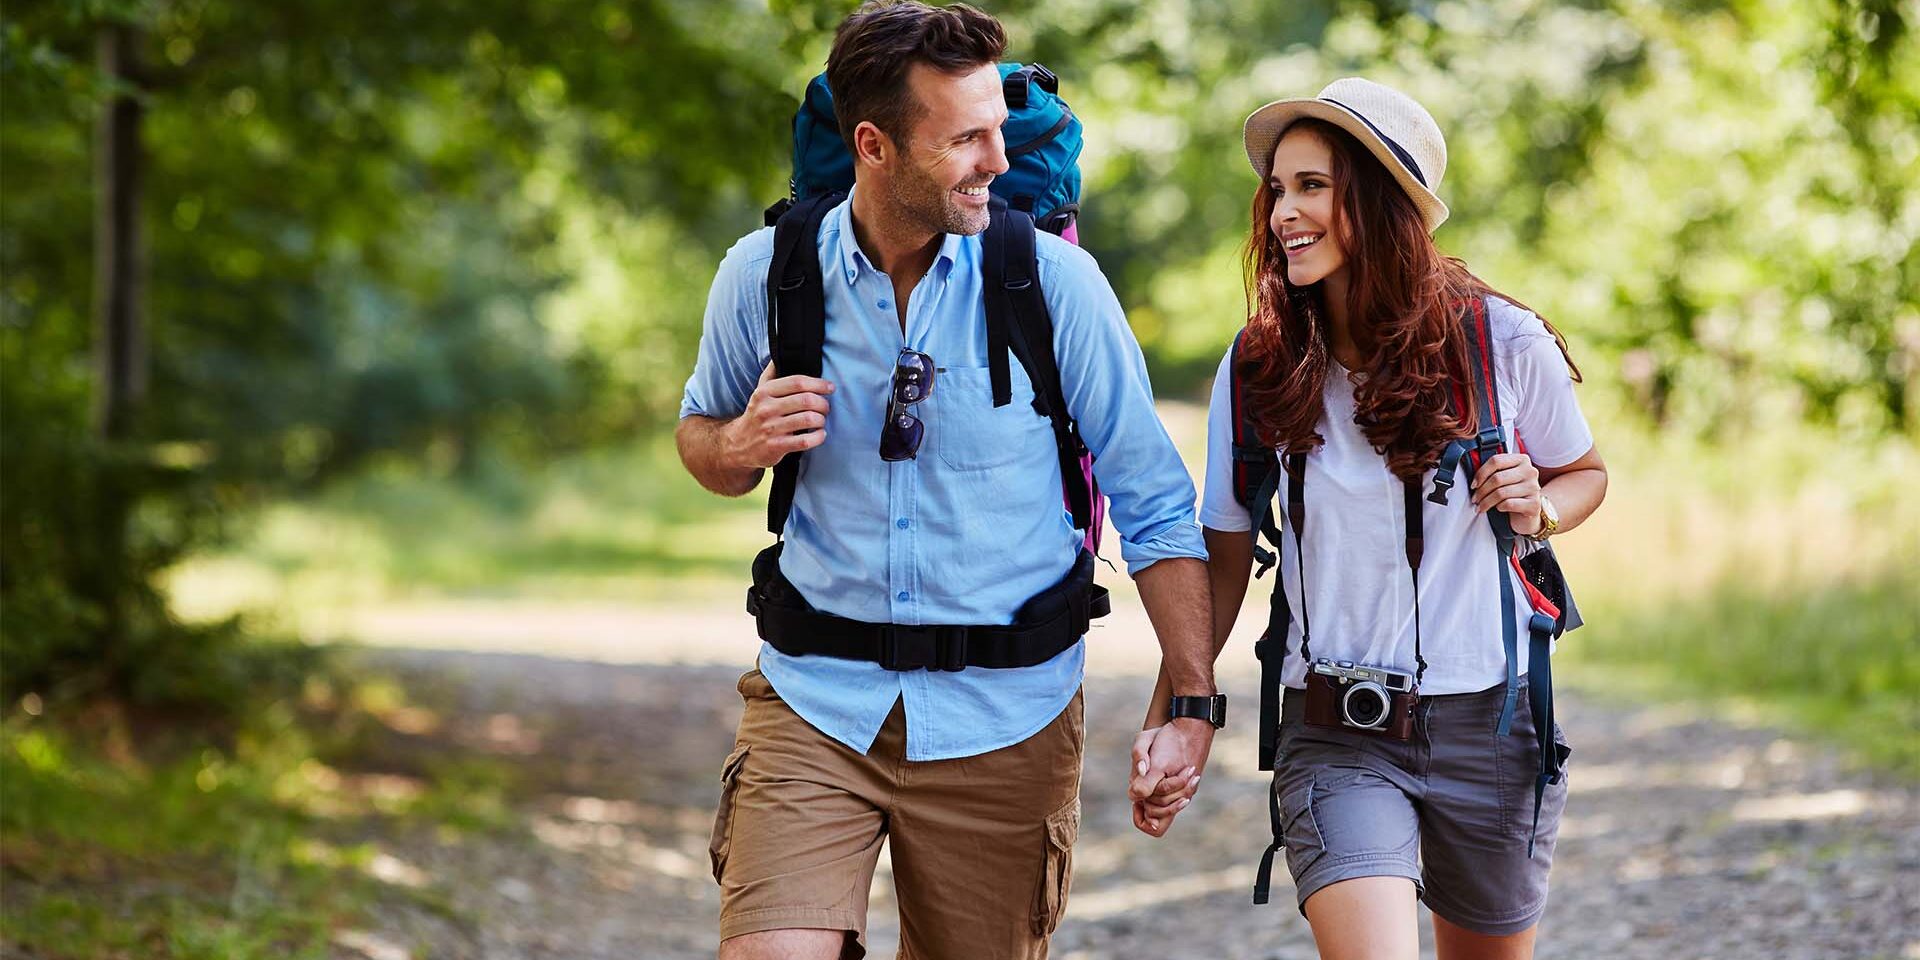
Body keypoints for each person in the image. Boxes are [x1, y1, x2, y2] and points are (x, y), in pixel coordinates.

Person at [675, 4, 1215, 957]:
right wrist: (741, 443)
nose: (997, 163)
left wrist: (1191, 701)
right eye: (966, 138)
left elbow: (1156, 502)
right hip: (814, 704)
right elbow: (700, 439)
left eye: (1000, 131)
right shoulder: (765, 275)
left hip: (1008, 718)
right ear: (873, 145)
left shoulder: (1053, 285)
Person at [1131, 78, 1608, 958]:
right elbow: (1225, 550)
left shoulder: (1501, 341)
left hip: (1492, 727)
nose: (1283, 212)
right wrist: (1181, 708)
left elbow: (1584, 472)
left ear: (1381, 202)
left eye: (1313, 186)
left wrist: (1541, 507)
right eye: (1278, 188)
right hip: (1336, 727)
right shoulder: (1262, 361)